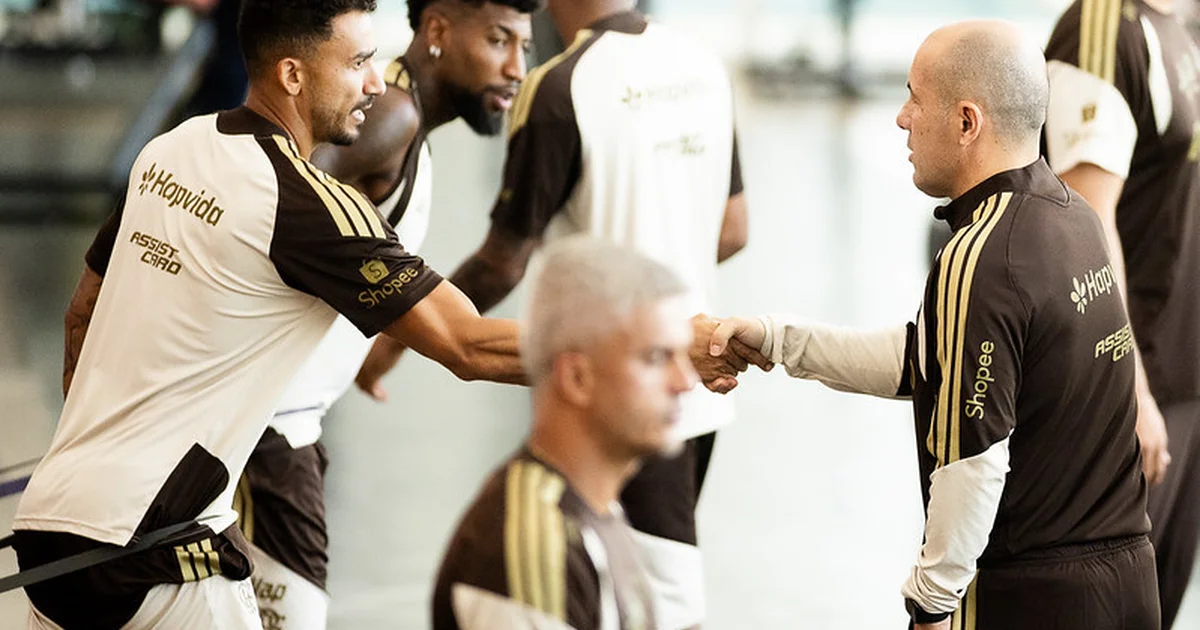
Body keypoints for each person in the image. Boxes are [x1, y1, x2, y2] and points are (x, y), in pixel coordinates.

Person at [9, 0, 526, 627]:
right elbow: (468, 345)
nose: (374, 81)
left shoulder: (171, 149)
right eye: (358, 63)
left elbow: (81, 309)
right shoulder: (307, 203)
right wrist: (619, 354)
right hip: (159, 547)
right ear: (292, 75)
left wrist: (105, 444)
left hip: (50, 523)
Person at [710, 20, 1158, 630]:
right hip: (1128, 581)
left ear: (967, 122)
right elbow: (931, 358)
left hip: (1033, 598)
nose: (902, 119)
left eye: (915, 99)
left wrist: (931, 601)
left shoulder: (985, 256)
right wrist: (779, 340)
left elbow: (974, 459)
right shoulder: (1073, 219)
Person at [356, 2, 761, 626]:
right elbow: (732, 231)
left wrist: (392, 341)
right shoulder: (702, 62)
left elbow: (503, 263)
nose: (515, 61)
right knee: (635, 594)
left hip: (621, 391)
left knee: (643, 602)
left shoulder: (558, 87)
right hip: (696, 385)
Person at [237, 1, 538, 627]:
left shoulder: (401, 119)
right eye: (498, 41)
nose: (516, 68)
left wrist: (373, 349)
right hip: (263, 432)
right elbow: (271, 215)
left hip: (282, 426)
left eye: (524, 48)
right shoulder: (390, 115)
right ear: (438, 31)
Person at [432, 236, 694, 630]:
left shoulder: (598, 513)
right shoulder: (532, 546)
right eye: (656, 358)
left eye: (684, 355)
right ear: (576, 378)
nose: (685, 381)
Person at [1042, 2, 1200, 626]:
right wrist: (1129, 388)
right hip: (1135, 392)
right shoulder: (1102, 29)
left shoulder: (1180, 24)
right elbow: (1087, 218)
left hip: (1185, 385)